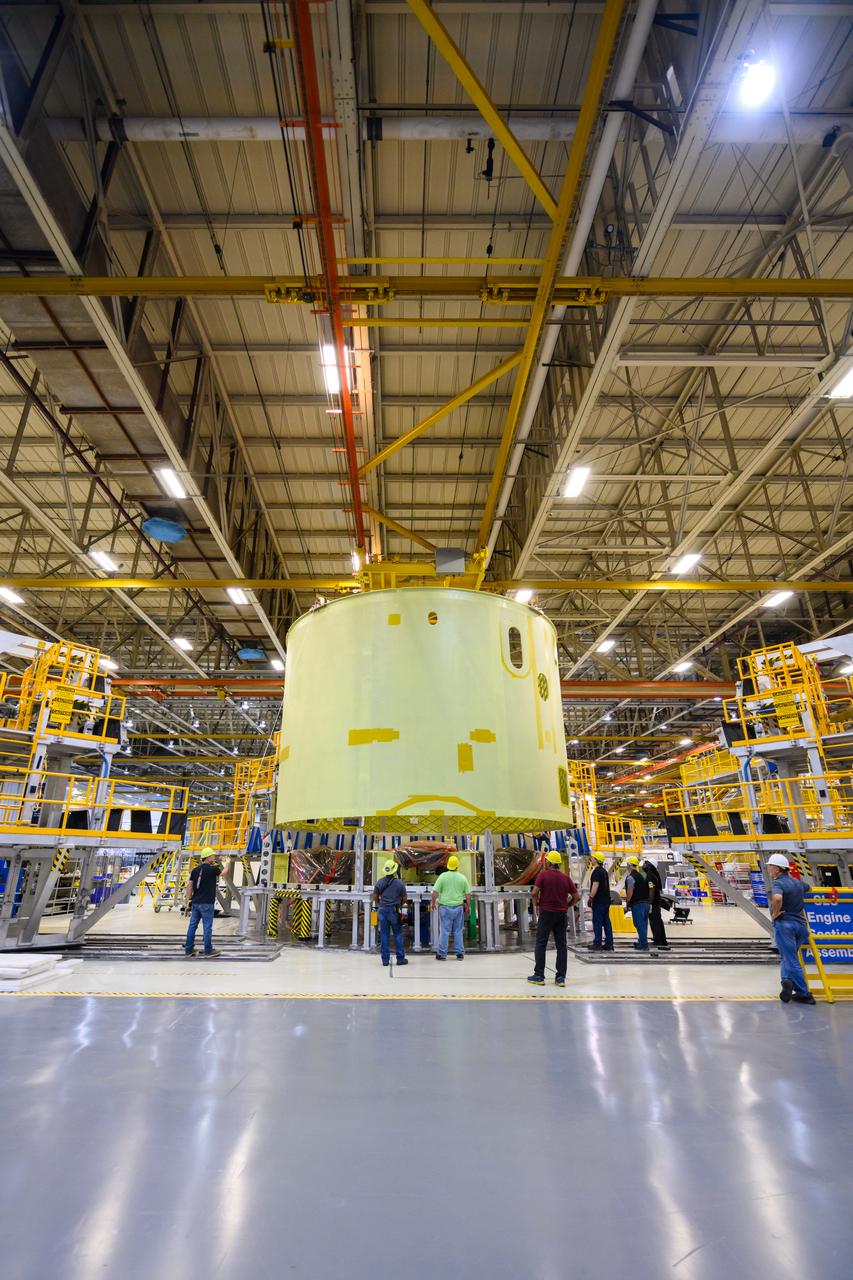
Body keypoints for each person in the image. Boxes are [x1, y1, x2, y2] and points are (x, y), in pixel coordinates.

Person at [767, 852, 815, 1005]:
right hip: (801, 926)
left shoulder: (778, 884)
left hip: (785, 926)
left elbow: (777, 898)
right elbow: (810, 889)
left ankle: (804, 993)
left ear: (778, 869)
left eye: (770, 866)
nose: (768, 869)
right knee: (788, 957)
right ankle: (786, 981)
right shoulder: (797, 882)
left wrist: (775, 913)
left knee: (791, 959)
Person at [528, 851, 580, 987]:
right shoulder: (565, 878)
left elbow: (534, 892)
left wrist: (536, 904)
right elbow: (577, 897)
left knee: (541, 943)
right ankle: (560, 977)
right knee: (561, 945)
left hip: (546, 913)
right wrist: (567, 905)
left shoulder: (543, 875)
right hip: (561, 915)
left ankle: (539, 975)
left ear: (548, 862)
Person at [184, 847, 231, 958]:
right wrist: (228, 863)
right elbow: (224, 873)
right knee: (207, 927)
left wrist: (189, 899)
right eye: (212, 856)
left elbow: (190, 885)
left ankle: (188, 950)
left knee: (192, 926)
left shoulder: (195, 870)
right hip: (207, 903)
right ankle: (208, 950)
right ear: (208, 857)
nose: (214, 857)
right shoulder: (212, 869)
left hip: (195, 903)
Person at [430, 854, 471, 960]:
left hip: (445, 908)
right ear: (457, 866)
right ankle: (459, 953)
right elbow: (468, 894)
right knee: (458, 930)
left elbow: (435, 892)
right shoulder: (462, 878)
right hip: (458, 908)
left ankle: (442, 954)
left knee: (444, 931)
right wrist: (468, 906)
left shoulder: (442, 876)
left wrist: (433, 903)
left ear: (448, 865)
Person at [372, 859, 409, 968]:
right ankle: (400, 959)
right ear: (394, 870)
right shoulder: (399, 883)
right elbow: (405, 898)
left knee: (384, 934)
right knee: (397, 934)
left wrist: (381, 903)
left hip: (382, 910)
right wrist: (399, 905)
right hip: (394, 910)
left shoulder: (380, 882)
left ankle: (385, 960)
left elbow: (374, 897)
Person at [587, 851, 613, 951]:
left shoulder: (596, 871)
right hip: (606, 901)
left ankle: (597, 943)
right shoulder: (604, 871)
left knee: (597, 922)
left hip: (599, 901)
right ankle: (609, 943)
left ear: (597, 860)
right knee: (606, 922)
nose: (591, 859)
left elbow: (595, 885)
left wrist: (591, 897)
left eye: (593, 858)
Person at [643, 856, 670, 951]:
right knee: (656, 921)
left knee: (656, 922)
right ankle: (659, 939)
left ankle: (659, 940)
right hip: (656, 902)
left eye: (646, 863)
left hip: (653, 903)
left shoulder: (650, 875)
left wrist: (649, 903)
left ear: (650, 865)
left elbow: (652, 890)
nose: (644, 865)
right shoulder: (653, 874)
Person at [624, 855, 650, 952]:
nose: (626, 866)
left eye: (627, 864)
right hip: (645, 903)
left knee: (638, 924)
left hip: (638, 904)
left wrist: (628, 901)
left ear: (630, 865)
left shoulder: (631, 877)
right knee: (643, 924)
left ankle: (644, 945)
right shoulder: (640, 875)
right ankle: (642, 941)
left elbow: (630, 891)